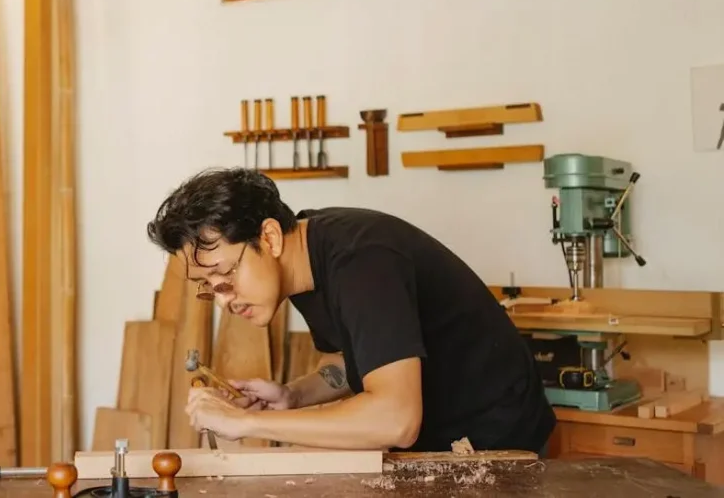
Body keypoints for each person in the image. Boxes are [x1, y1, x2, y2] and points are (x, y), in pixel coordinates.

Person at [145, 167, 556, 454]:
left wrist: (249, 424)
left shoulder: (362, 263)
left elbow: (396, 419)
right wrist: (293, 395)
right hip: (440, 437)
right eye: (208, 289)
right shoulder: (304, 265)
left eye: (224, 276)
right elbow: (356, 358)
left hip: (496, 437)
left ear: (268, 238)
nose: (223, 300)